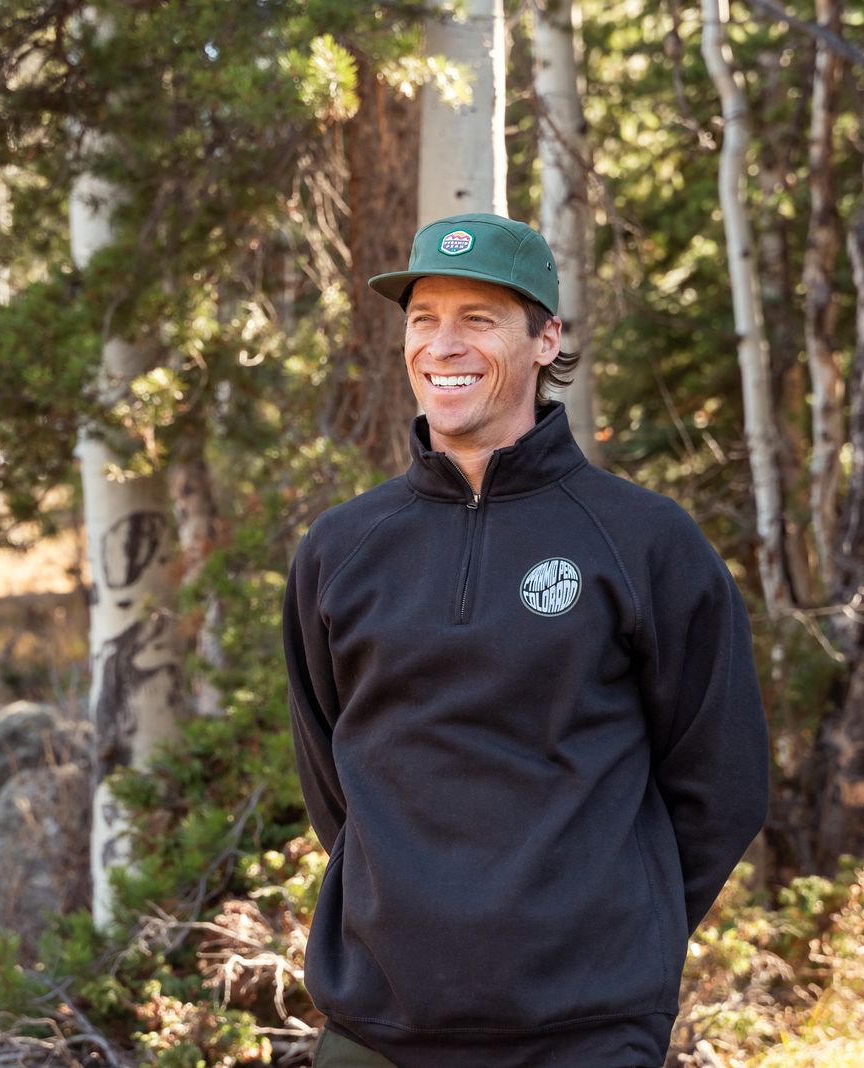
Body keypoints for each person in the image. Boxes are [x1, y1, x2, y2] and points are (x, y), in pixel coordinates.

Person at [282, 212, 770, 1068]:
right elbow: (332, 777)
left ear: (546, 340)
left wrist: (617, 929)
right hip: (378, 1024)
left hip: (583, 1028)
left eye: (478, 319)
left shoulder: (643, 540)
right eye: (424, 318)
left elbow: (721, 780)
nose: (443, 345)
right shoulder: (341, 548)